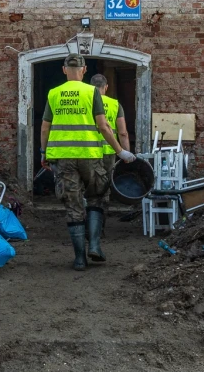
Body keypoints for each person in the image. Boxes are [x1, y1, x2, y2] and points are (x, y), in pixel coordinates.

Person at [40, 54, 136, 270]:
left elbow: (45, 127)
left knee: (73, 205)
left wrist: (43, 153)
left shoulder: (54, 94)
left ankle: (79, 259)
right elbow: (103, 126)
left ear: (64, 70)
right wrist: (120, 152)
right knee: (97, 197)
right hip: (90, 156)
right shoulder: (91, 91)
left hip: (63, 158)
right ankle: (94, 244)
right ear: (84, 71)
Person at [89, 74, 131, 189]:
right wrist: (125, 153)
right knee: (106, 182)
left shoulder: (86, 103)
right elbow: (123, 133)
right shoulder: (115, 105)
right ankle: (103, 204)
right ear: (106, 87)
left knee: (88, 181)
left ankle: (89, 205)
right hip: (109, 149)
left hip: (88, 150)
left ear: (90, 87)